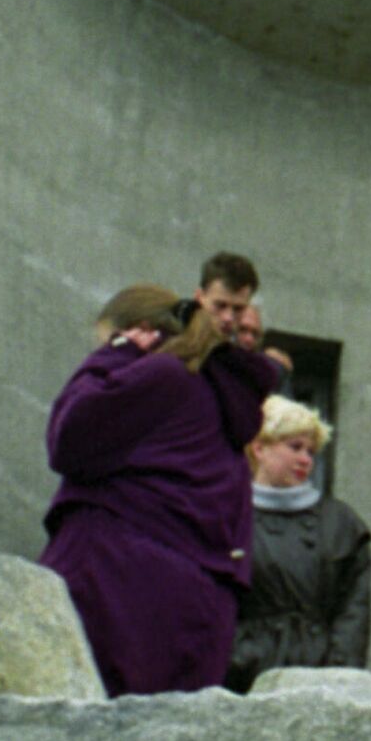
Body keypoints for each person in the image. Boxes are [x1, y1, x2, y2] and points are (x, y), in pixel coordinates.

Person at [38, 284, 281, 696]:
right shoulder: (222, 411)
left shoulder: (165, 375)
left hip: (115, 580)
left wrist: (115, 355)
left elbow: (70, 438)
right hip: (196, 610)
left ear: (142, 331)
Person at [225, 395, 371, 691]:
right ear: (259, 448)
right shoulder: (227, 519)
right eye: (294, 447)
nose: (306, 459)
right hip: (241, 676)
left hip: (320, 678)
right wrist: (233, 659)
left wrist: (338, 674)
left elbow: (354, 610)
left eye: (311, 451)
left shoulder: (340, 524)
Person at [193, 252, 259, 347]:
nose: (228, 318)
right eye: (220, 305)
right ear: (198, 297)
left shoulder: (246, 359)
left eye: (238, 309)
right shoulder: (168, 343)